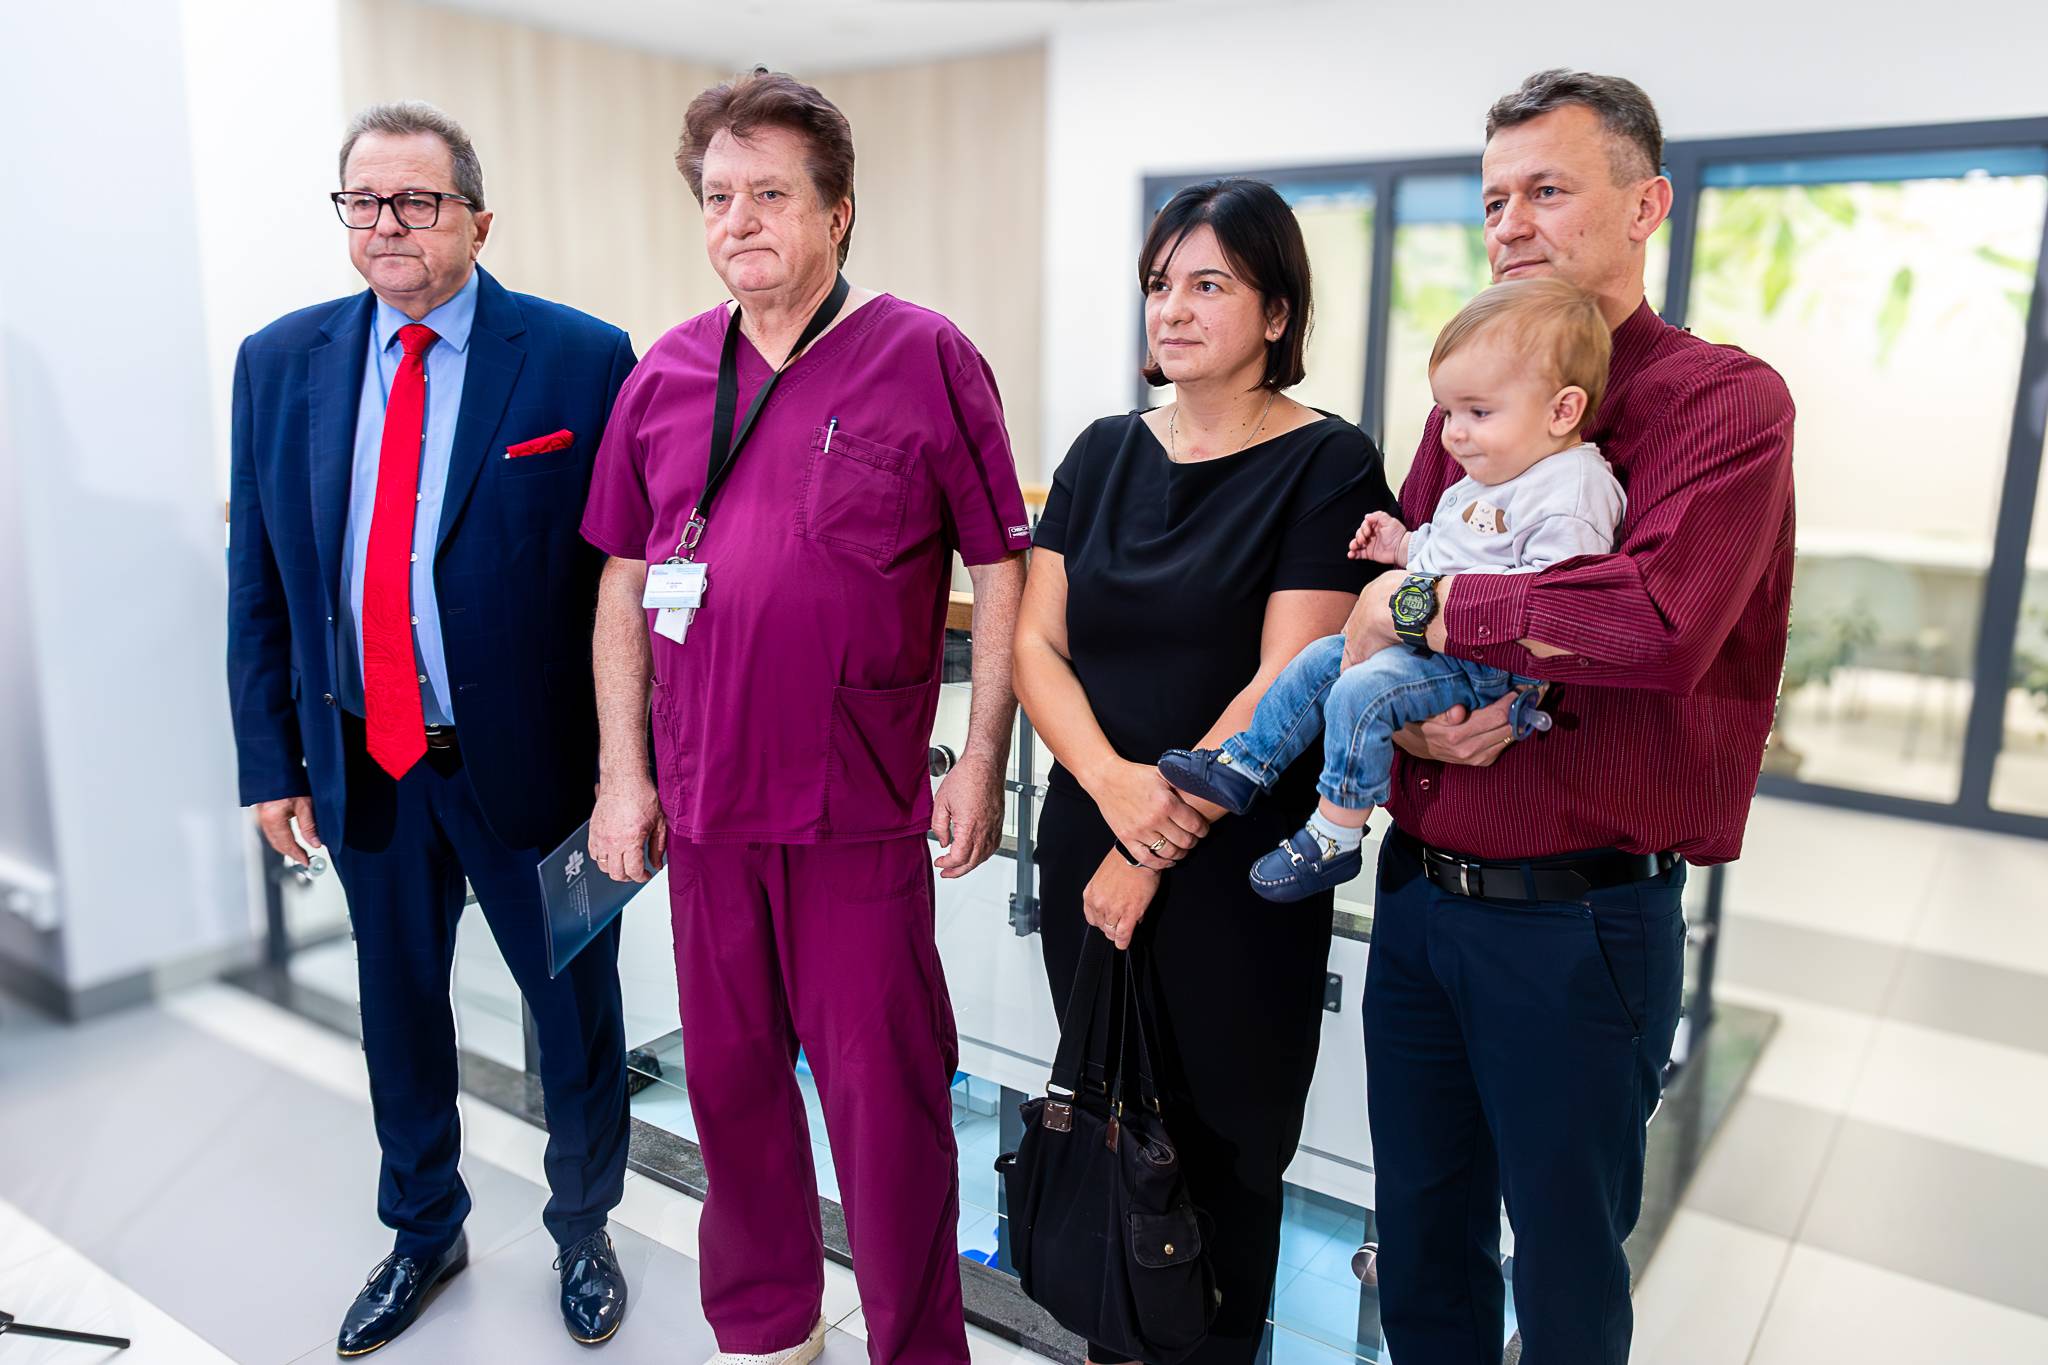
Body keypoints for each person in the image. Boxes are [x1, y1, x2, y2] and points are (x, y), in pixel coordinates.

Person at [1341, 71, 1796, 1365]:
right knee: (1420, 1239)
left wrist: (1422, 609)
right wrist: (1408, 714)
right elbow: (1404, 591)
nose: (1512, 224)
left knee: (1564, 1266)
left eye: (1546, 190)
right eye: (1494, 200)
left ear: (1646, 206)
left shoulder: (1722, 403)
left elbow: (1652, 621)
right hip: (1420, 897)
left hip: (1576, 923)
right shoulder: (1476, 388)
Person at [580, 69, 1030, 1365]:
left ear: (837, 213)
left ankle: (914, 1346)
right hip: (706, 808)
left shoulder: (923, 356)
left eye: (769, 194)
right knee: (730, 1095)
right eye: (717, 197)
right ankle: (769, 1329)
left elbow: (1002, 563)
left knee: (888, 1112)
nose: (738, 221)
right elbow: (621, 582)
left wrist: (983, 758)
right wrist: (623, 772)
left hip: (856, 810)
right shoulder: (665, 374)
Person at [225, 102, 637, 1354]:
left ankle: (583, 1229)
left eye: (418, 200)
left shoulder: (578, 358)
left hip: (534, 768)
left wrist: (629, 768)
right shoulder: (279, 362)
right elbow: (259, 577)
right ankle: (421, 1231)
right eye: (363, 201)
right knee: (398, 1009)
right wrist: (271, 761)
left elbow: (619, 580)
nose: (388, 224)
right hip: (367, 761)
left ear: (477, 220)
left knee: (573, 1015)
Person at [1012, 178, 1395, 1365]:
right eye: (1158, 285)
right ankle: (1109, 1340)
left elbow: (1288, 679)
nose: (1171, 310)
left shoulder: (1327, 462)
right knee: (1108, 1123)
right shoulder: (1100, 453)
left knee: (1221, 1153)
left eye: (1207, 285)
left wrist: (1148, 840)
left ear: (1275, 312)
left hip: (1228, 864)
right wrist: (1109, 793)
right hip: (1091, 834)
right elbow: (1033, 646)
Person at [1159, 279, 1621, 900]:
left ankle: (1336, 833)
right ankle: (1246, 764)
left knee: (1362, 688)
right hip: (1434, 647)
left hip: (1485, 666)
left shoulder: (1571, 487)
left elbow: (1556, 604)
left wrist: (1426, 595)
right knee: (1322, 657)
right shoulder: (1489, 474)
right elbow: (1451, 554)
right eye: (1448, 413)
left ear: (1562, 411)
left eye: (1478, 413)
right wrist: (1402, 545)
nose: (1454, 434)